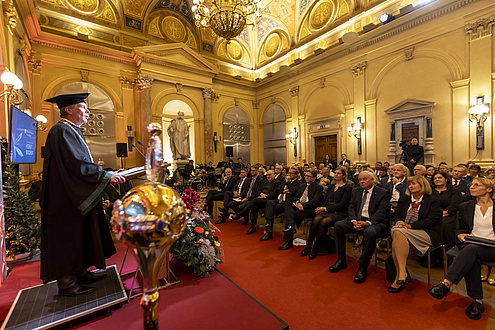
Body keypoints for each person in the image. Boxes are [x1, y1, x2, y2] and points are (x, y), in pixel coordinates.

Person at [41, 93, 126, 296]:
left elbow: (80, 164)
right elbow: (76, 165)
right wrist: (105, 176)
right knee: (69, 237)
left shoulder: (72, 131)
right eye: (82, 106)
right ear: (68, 110)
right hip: (65, 199)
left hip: (72, 196)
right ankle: (67, 281)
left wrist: (104, 174)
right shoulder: (61, 130)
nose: (87, 111)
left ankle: (79, 272)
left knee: (80, 234)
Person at [428, 178, 495, 320]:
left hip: (492, 248)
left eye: (477, 185)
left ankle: (446, 284)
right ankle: (477, 302)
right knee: (471, 251)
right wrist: (460, 235)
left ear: (489, 189)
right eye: (471, 185)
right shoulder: (466, 206)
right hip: (471, 244)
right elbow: (461, 229)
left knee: (471, 253)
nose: (472, 187)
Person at [329, 171, 390, 283]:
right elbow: (351, 207)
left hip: (375, 222)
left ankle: (363, 266)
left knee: (370, 232)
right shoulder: (356, 191)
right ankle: (341, 259)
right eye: (360, 179)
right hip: (356, 220)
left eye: (364, 179)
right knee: (338, 225)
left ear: (372, 180)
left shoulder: (383, 193)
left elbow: (382, 212)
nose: (362, 181)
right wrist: (353, 221)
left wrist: (368, 222)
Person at [387, 176, 442, 293]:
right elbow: (397, 214)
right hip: (404, 231)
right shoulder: (404, 199)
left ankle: (400, 276)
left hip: (425, 232)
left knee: (396, 236)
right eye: (409, 184)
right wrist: (399, 222)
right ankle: (401, 274)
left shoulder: (432, 200)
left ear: (423, 185)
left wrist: (409, 226)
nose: (411, 186)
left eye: (414, 184)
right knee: (397, 232)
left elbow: (431, 220)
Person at [301, 167, 352, 260]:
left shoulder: (347, 188)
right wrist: (320, 208)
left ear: (344, 176)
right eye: (335, 173)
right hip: (327, 210)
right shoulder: (332, 186)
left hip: (339, 212)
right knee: (316, 219)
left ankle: (315, 247)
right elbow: (325, 200)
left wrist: (325, 208)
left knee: (324, 222)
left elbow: (342, 204)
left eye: (339, 173)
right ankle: (309, 245)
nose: (336, 175)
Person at [279, 168, 323, 250]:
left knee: (290, 215)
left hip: (309, 209)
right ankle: (291, 227)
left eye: (309, 176)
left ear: (314, 178)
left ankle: (288, 241)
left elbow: (315, 201)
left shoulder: (318, 187)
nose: (306, 177)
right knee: (288, 204)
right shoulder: (302, 185)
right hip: (299, 206)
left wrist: (304, 206)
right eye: (306, 175)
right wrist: (298, 203)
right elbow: (296, 197)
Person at [260, 166, 303, 241]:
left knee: (270, 210)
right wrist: (283, 191)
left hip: (287, 203)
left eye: (292, 173)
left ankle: (269, 231)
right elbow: (278, 189)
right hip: (279, 200)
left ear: (296, 174)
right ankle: (268, 226)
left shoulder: (299, 183)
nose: (289, 175)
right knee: (269, 203)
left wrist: (288, 182)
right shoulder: (284, 180)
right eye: (289, 173)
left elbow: (293, 190)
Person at [431, 171, 462, 252]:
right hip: (432, 214)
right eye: (435, 178)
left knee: (444, 225)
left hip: (449, 214)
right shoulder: (430, 191)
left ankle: (447, 251)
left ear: (446, 179)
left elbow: (455, 205)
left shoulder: (454, 191)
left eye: (440, 178)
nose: (437, 179)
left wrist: (445, 213)